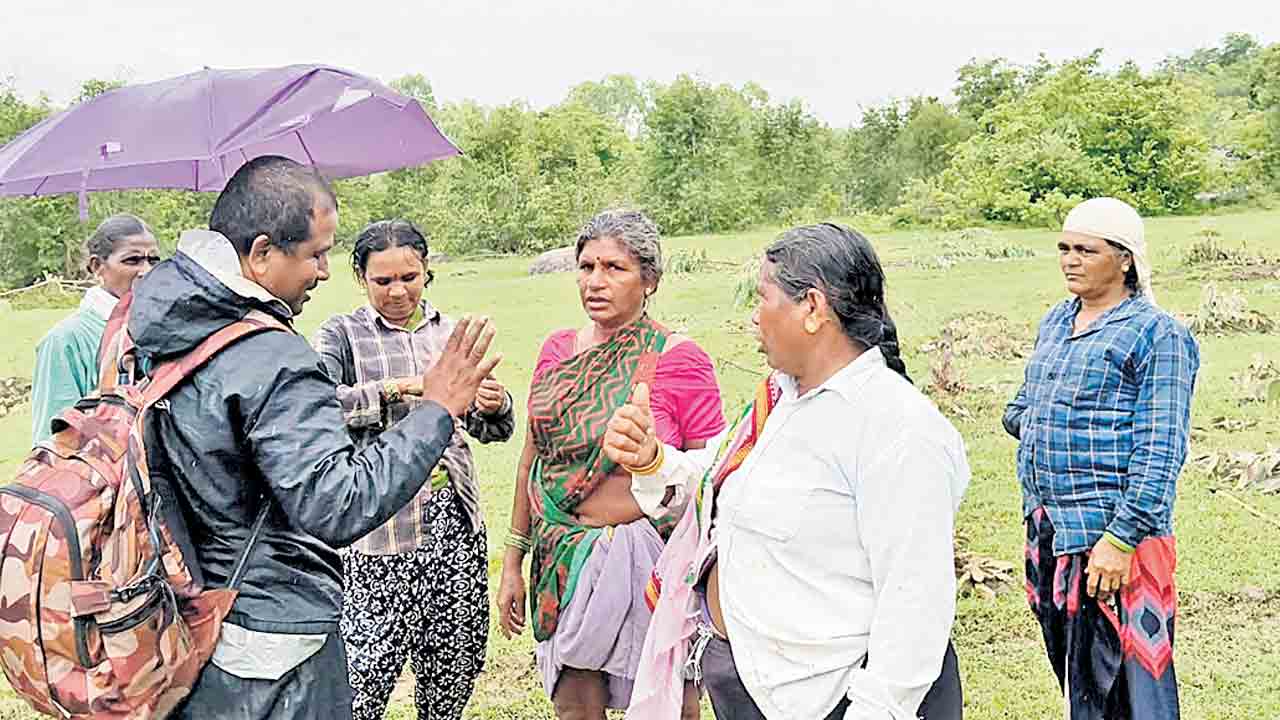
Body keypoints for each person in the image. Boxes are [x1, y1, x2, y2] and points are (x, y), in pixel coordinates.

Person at [125, 155, 501, 720]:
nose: (323, 272)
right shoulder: (269, 354)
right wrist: (438, 408)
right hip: (272, 638)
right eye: (315, 254)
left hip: (181, 611)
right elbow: (336, 503)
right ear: (261, 253)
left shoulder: (151, 325)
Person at [609, 223, 969, 720]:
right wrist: (651, 459)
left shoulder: (897, 429)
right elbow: (720, 489)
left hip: (839, 699)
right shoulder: (780, 400)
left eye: (763, 298)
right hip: (764, 691)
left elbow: (914, 601)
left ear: (813, 308)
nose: (754, 317)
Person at [495, 209, 726, 720]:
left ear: (650, 279)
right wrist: (513, 560)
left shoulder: (678, 358)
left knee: (670, 705)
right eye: (586, 267)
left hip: (648, 562)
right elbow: (532, 457)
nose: (595, 282)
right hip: (562, 558)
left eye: (614, 268)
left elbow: (712, 477)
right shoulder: (557, 351)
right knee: (574, 705)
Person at [1003, 197, 1199, 719]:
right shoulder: (1057, 320)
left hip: (1114, 538)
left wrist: (1120, 540)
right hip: (1051, 527)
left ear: (1125, 258)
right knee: (1080, 681)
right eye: (1064, 248)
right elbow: (1021, 407)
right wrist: (1049, 425)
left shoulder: (1157, 334)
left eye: (1086, 250)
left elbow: (1161, 450)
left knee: (1132, 691)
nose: (1070, 260)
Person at [313, 219, 514, 720]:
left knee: (453, 666)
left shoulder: (450, 334)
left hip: (454, 527)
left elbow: (492, 430)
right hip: (379, 532)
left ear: (427, 272)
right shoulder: (342, 335)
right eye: (383, 280)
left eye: (410, 277)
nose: (398, 291)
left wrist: (493, 404)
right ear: (360, 277)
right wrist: (398, 389)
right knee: (364, 677)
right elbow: (318, 406)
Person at [30, 213, 160, 444]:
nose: (146, 271)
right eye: (132, 260)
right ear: (97, 266)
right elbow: (52, 439)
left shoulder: (163, 330)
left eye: (153, 260)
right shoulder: (65, 340)